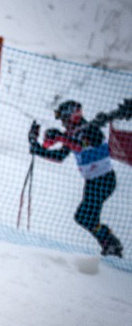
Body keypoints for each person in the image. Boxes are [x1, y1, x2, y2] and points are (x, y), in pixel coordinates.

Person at [28, 98, 132, 257]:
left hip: (103, 181)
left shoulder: (91, 129)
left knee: (84, 216)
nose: (63, 124)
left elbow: (80, 145)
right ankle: (110, 243)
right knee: (84, 217)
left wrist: (60, 137)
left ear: (73, 116)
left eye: (64, 119)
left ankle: (111, 243)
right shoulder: (73, 134)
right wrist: (36, 147)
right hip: (92, 182)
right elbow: (60, 156)